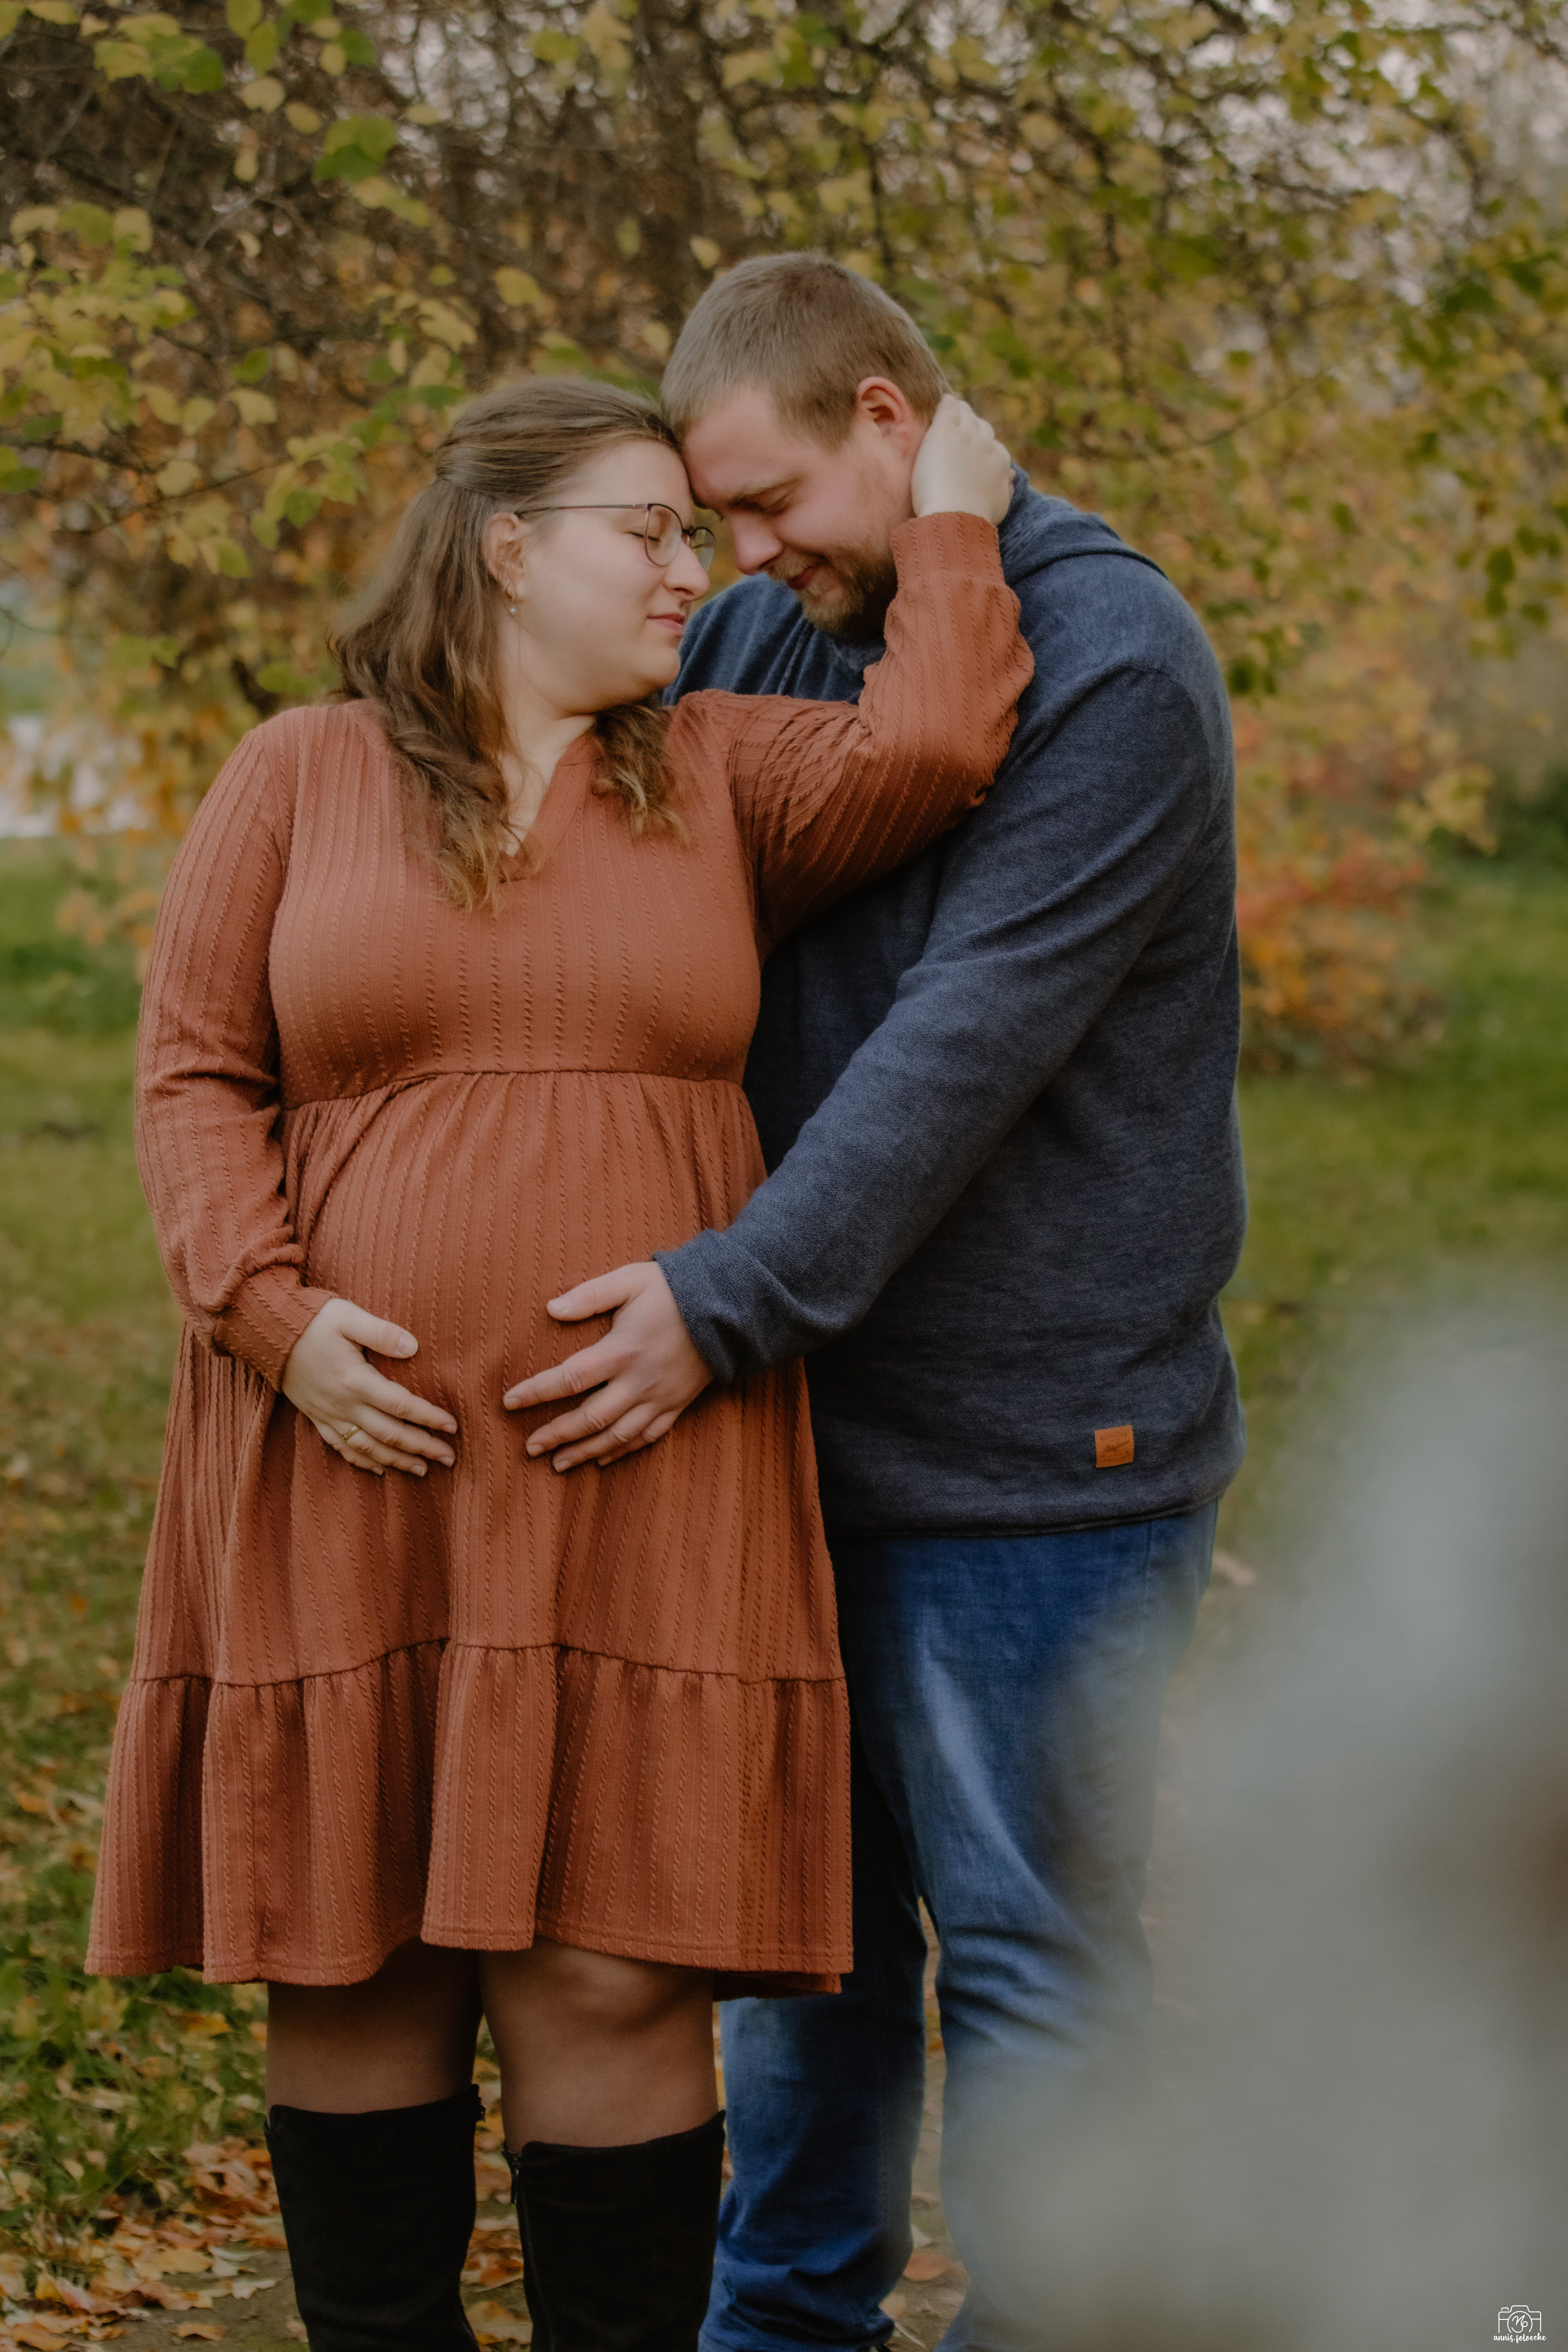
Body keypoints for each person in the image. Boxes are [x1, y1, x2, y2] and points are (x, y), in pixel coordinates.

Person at [85, 373, 1029, 2352]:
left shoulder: (723, 773)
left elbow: (944, 738)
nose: (695, 571)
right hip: (348, 1457)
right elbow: (193, 1074)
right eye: (650, 531)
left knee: (614, 1961)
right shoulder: (300, 771)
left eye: (699, 531)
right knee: (359, 1958)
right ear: (508, 547)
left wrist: (948, 511)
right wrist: (272, 1318)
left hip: (642, 1463)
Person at [508, 258, 1247, 2351]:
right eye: (710, 520)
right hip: (784, 1444)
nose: (741, 558)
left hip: (1041, 1458)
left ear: (891, 420)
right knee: (797, 1972)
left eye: (767, 501)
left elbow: (963, 1040)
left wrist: (723, 1299)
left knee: (1029, 1965)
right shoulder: (775, 630)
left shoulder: (1116, 658)